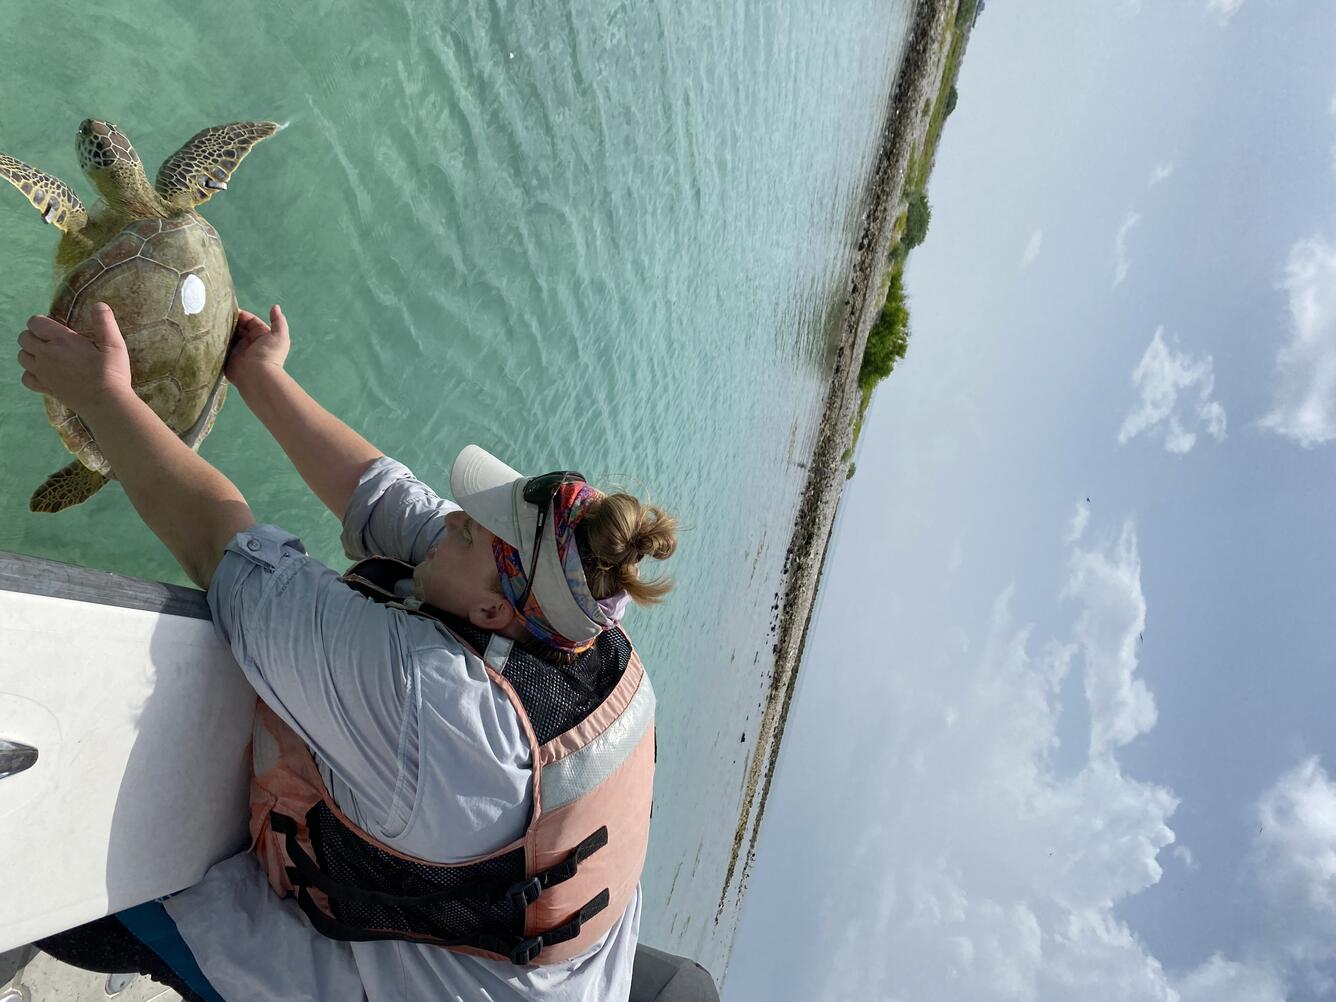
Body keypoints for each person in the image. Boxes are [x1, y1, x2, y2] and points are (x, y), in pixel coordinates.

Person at [15, 301, 680, 1001]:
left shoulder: (431, 702)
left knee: (103, 898)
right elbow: (388, 501)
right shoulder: (573, 620)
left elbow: (223, 548)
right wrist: (257, 374)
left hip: (395, 984)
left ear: (493, 609)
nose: (450, 519)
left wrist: (104, 398)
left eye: (468, 533)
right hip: (553, 969)